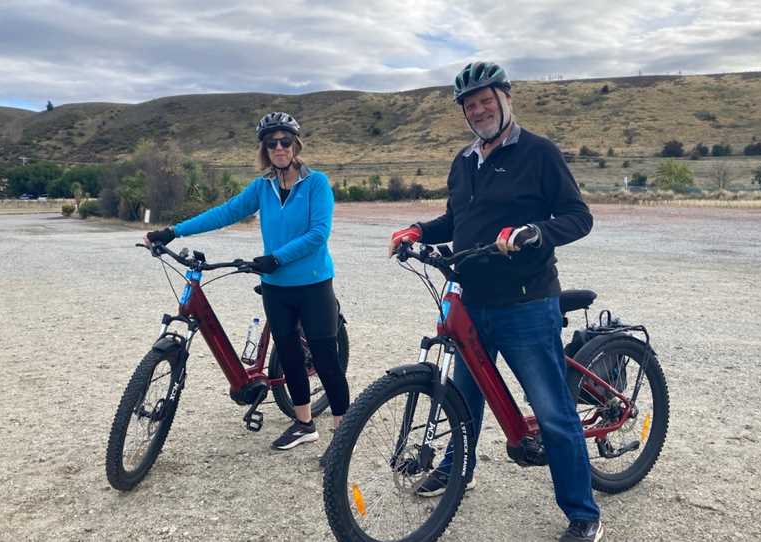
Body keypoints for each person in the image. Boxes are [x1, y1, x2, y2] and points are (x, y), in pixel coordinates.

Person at [388, 62, 603, 542]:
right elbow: (457, 219)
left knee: (551, 411)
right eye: (470, 104)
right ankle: (454, 472)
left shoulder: (538, 153)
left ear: (506, 98)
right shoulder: (464, 161)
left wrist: (535, 232)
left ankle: (583, 512)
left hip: (525, 301)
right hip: (470, 301)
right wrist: (418, 231)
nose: (479, 109)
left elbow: (577, 216)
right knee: (463, 399)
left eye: (486, 99)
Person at [145, 112, 349, 451]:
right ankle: (303, 424)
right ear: (265, 150)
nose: (279, 148)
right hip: (276, 287)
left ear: (295, 145)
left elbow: (318, 233)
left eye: (285, 141)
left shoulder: (316, 183)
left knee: (325, 358)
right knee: (289, 354)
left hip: (313, 284)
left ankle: (342, 437)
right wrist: (173, 230)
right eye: (272, 144)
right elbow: (225, 212)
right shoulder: (263, 187)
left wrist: (277, 257)